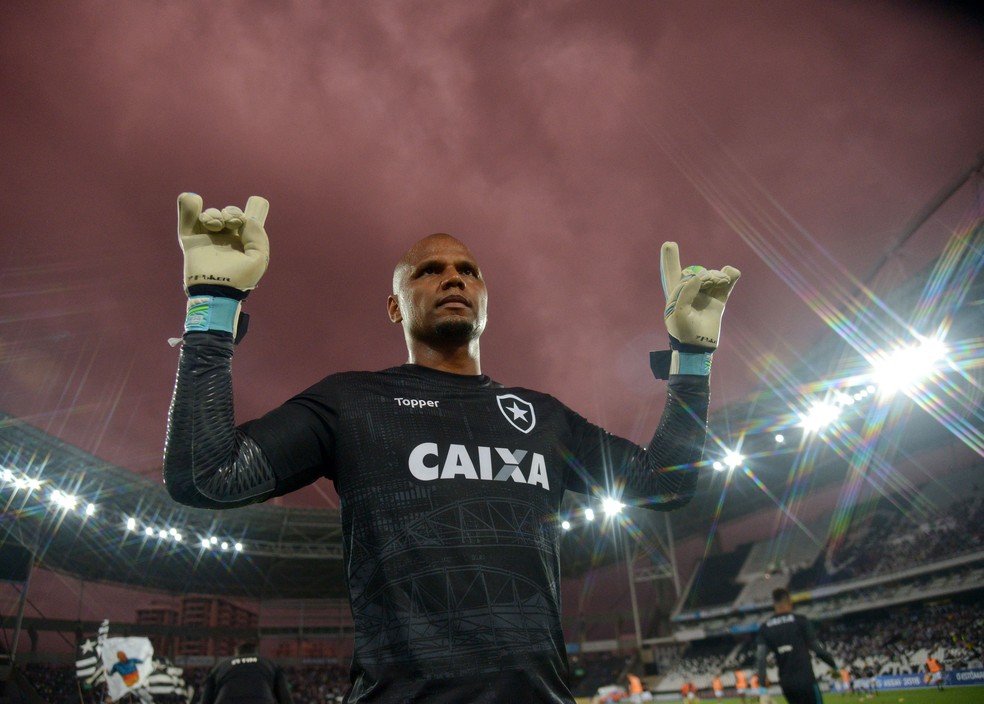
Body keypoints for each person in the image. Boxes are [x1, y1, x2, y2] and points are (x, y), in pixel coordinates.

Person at [162, 193, 741, 703]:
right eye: (429, 271)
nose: (454, 277)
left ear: (486, 298)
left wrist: (691, 361)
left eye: (468, 270)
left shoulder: (542, 417)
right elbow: (207, 473)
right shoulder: (353, 404)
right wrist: (213, 304)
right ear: (395, 306)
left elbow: (666, 481)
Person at [755, 588, 837, 704]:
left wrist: (762, 688)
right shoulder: (800, 621)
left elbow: (760, 658)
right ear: (789, 602)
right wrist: (833, 665)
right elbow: (817, 649)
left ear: (774, 604)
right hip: (805, 680)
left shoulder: (765, 628)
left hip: (787, 684)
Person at [200, 642, 293, 704]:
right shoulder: (270, 664)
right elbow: (286, 698)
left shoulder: (220, 667)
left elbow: (205, 700)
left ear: (236, 653)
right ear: (256, 652)